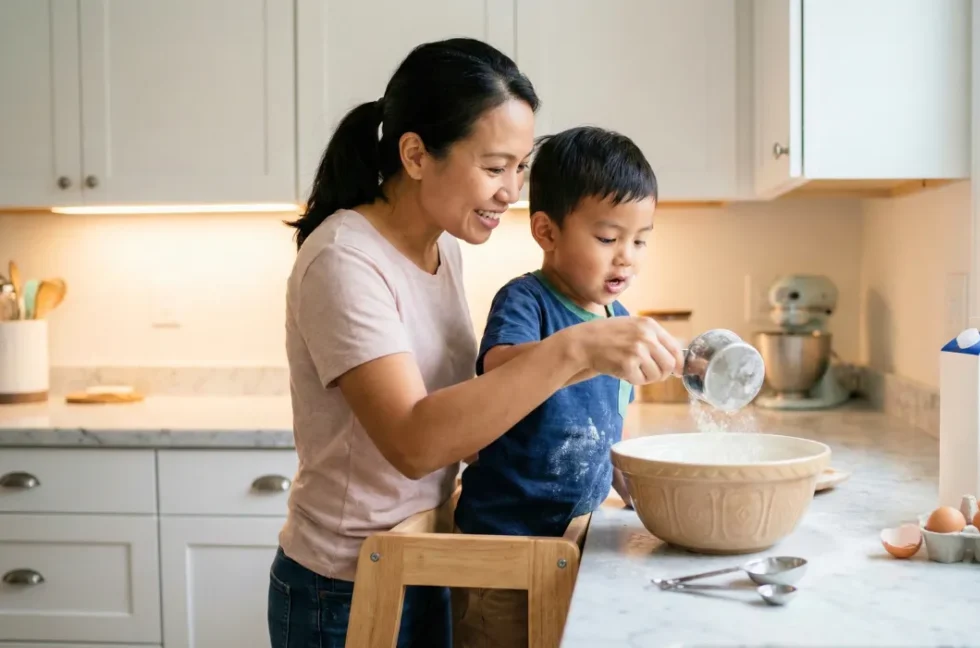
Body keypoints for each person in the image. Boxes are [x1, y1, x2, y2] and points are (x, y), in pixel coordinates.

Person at [268, 38, 685, 648]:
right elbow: (414, 441)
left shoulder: (444, 249)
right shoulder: (343, 258)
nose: (511, 191)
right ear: (415, 154)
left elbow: (473, 410)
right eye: (494, 167)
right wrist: (579, 348)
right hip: (347, 585)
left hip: (427, 556)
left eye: (519, 168)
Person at [451, 125, 659, 646]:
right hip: (502, 547)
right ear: (546, 232)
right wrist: (580, 350)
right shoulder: (528, 301)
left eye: (639, 240)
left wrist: (624, 476)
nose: (626, 256)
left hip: (571, 544)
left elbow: (600, 423)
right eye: (608, 239)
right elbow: (500, 370)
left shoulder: (618, 318)